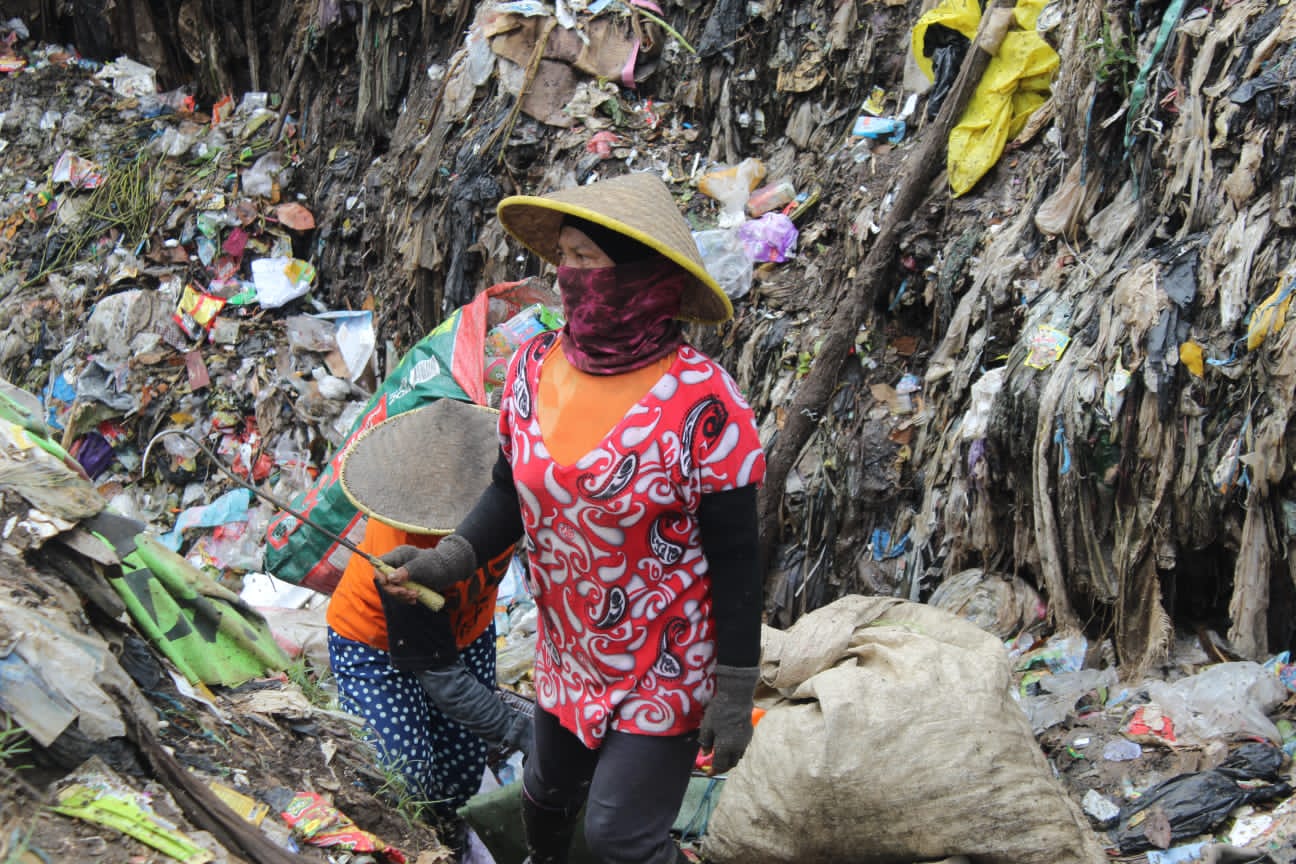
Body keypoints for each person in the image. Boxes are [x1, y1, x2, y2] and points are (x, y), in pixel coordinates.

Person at [377, 172, 767, 864]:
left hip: (666, 660)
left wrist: (734, 687)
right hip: (568, 653)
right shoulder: (532, 367)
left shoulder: (704, 402)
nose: (566, 276)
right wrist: (448, 559)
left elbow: (738, 555)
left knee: (623, 838)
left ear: (641, 276)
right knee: (545, 803)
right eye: (562, 257)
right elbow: (509, 492)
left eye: (586, 259)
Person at [325, 513, 527, 840]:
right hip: (378, 642)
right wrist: (525, 735)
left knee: (463, 770)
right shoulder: (406, 545)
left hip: (468, 630)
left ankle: (449, 839)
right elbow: (444, 680)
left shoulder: (510, 495)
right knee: (402, 773)